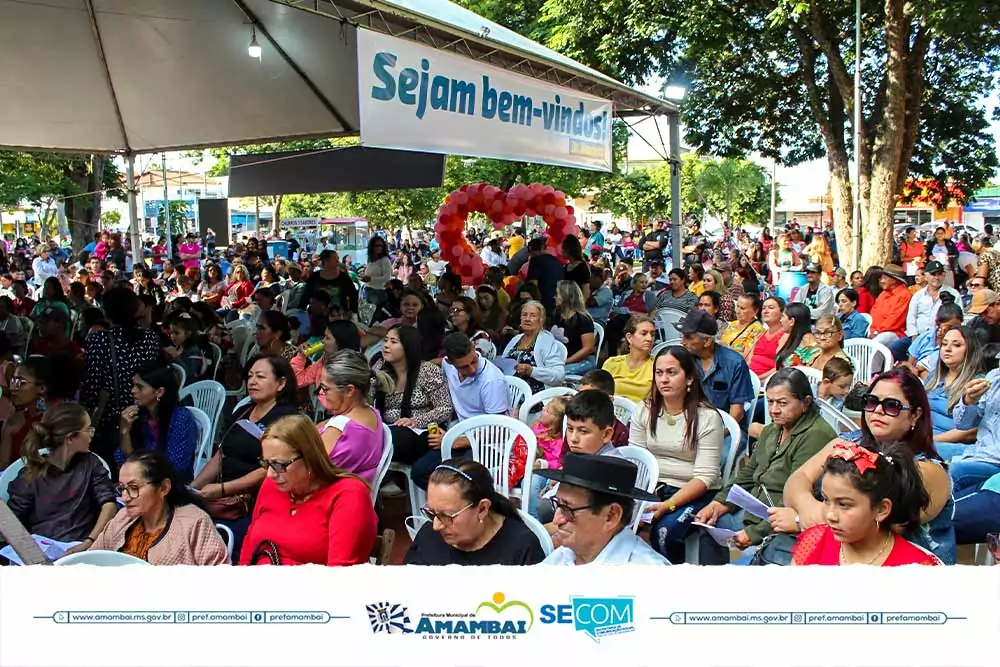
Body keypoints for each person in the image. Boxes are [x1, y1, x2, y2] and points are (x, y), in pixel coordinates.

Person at [779, 368, 955, 564]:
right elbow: (797, 480)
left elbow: (874, 527)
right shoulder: (850, 441)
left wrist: (798, 521)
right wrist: (806, 508)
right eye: (871, 402)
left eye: (892, 405)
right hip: (842, 554)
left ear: (915, 415)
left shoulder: (929, 470)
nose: (878, 410)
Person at [695, 368, 836, 564]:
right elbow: (748, 473)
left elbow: (795, 498)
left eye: (782, 403)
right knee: (708, 525)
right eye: (770, 402)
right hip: (750, 511)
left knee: (739, 556)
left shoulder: (816, 435)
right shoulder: (772, 430)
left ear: (806, 403)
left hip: (779, 523)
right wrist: (720, 503)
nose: (773, 410)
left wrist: (752, 533)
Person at [190, 355, 300, 556]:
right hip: (220, 497)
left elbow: (269, 469)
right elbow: (221, 455)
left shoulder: (287, 419)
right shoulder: (243, 411)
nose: (252, 381)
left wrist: (222, 490)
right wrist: (194, 489)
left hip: (255, 502)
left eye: (260, 376)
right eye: (250, 376)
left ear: (281, 383)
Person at [240, 414, 377, 565]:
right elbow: (249, 544)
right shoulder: (272, 485)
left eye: (280, 464)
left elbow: (341, 573)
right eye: (266, 463)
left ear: (309, 458)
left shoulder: (348, 495)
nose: (270, 474)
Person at [631, 345, 724, 563]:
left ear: (690, 378)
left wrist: (667, 505)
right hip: (652, 488)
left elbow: (705, 477)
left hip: (693, 491)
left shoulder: (708, 418)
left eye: (672, 373)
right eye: (659, 373)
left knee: (665, 532)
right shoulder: (644, 409)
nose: (663, 379)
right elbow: (638, 460)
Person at [791, 441, 941, 566]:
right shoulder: (813, 541)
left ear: (882, 509)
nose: (830, 515)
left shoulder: (919, 568)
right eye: (825, 499)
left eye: (843, 504)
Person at [6, 403, 118, 550]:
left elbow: (109, 504)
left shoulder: (91, 464)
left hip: (83, 548)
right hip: (40, 549)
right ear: (70, 438)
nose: (92, 434)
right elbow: (10, 522)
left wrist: (90, 542)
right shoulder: (32, 473)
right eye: (88, 429)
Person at [90, 450, 230, 565]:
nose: (125, 497)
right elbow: (92, 560)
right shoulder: (123, 518)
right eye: (122, 489)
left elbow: (218, 580)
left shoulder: (194, 523)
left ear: (164, 487)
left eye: (133, 488)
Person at [405, 459, 545, 566]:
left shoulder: (522, 549)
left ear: (482, 509)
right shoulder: (428, 537)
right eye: (432, 513)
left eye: (447, 516)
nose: (436, 526)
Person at [79, 287, 161, 469]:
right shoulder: (151, 338)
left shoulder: (98, 340)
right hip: (146, 412)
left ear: (106, 312)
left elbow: (92, 386)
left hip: (112, 419)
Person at [540, 454, 667, 565]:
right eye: (557, 504)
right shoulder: (562, 556)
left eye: (567, 509)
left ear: (611, 516)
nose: (557, 520)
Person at [370, 326, 451, 483]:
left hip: (423, 432)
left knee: (389, 439)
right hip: (388, 428)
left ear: (408, 346)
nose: (386, 345)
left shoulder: (427, 371)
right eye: (385, 340)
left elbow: (445, 408)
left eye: (393, 341)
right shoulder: (380, 369)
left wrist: (416, 421)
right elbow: (367, 399)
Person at [117, 363, 200, 483]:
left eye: (139, 387)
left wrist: (138, 469)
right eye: (133, 385)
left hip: (170, 487)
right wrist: (124, 432)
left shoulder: (181, 418)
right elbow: (122, 459)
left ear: (159, 392)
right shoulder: (138, 417)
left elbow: (175, 467)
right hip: (139, 483)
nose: (132, 391)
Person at [676, 309, 754, 430]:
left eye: (688, 337)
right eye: (682, 336)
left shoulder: (735, 363)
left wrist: (715, 437)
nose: (682, 342)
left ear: (707, 341)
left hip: (725, 428)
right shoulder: (683, 360)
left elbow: (737, 413)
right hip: (689, 425)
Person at [924, 327, 985, 453]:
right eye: (944, 344)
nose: (947, 349)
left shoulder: (977, 383)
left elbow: (971, 432)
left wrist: (932, 440)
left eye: (956, 345)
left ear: (970, 350)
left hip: (952, 445)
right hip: (924, 437)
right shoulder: (933, 377)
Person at [500, 300, 566, 393]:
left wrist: (531, 371)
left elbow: (559, 376)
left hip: (534, 395)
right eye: (524, 315)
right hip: (507, 391)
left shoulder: (548, 342)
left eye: (532, 315)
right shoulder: (515, 340)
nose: (527, 319)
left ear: (541, 320)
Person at [601, 315, 655, 403]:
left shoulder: (657, 365)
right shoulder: (612, 363)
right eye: (644, 334)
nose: (649, 339)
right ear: (629, 337)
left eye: (652, 334)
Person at [553, 280, 597, 376]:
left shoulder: (583, 319)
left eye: (557, 294)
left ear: (566, 296)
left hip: (582, 361)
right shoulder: (557, 314)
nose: (555, 297)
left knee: (555, 374)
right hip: (559, 360)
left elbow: (588, 348)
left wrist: (565, 362)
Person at [869, 265, 913, 346]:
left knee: (876, 343)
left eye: (884, 278)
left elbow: (894, 320)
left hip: (895, 333)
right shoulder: (883, 294)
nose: (881, 281)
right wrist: (872, 330)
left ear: (894, 280)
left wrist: (877, 331)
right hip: (876, 331)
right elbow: (874, 313)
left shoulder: (905, 295)